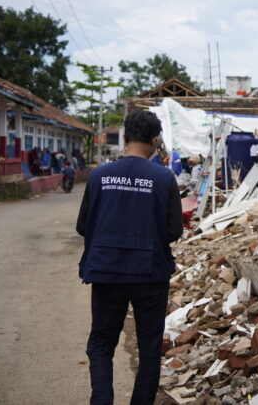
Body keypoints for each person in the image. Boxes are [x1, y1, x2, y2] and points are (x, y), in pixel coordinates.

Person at [76, 111, 183, 405]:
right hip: (150, 274)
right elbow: (174, 230)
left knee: (101, 344)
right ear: (154, 140)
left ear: (125, 137)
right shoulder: (163, 177)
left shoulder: (99, 175)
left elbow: (83, 226)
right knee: (149, 348)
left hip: (107, 272)